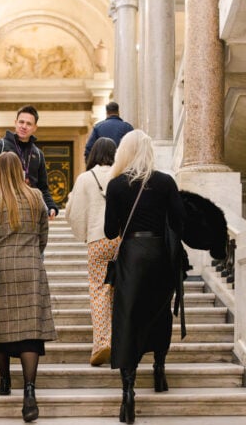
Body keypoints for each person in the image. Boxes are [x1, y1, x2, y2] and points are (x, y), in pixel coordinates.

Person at [104, 130, 185, 424]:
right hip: (160, 255)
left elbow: (111, 231)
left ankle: (128, 392)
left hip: (131, 257)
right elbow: (179, 220)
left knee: (128, 317)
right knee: (159, 313)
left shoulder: (115, 186)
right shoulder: (165, 182)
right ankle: (159, 371)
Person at [0, 152, 56, 423]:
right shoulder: (36, 197)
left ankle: (4, 381)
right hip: (31, 268)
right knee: (30, 333)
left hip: (1, 269)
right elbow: (43, 235)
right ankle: (30, 391)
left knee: (0, 328)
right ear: (21, 170)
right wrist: (32, 253)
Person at [64, 137, 118, 367]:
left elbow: (72, 211)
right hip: (123, 241)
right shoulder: (122, 175)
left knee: (99, 291)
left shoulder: (85, 178)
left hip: (98, 239)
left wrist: (84, 233)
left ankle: (102, 342)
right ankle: (121, 342)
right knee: (120, 291)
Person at [0, 105, 59, 219]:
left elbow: (43, 187)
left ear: (35, 127)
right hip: (3, 209)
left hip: (30, 210)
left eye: (29, 124)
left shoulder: (38, 154)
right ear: (15, 123)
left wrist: (51, 206)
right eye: (21, 122)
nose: (24, 126)